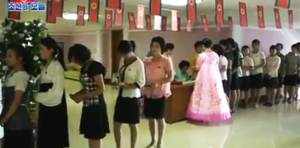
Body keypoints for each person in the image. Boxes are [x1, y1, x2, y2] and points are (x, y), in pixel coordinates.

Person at [69, 44, 109, 148]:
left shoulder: (95, 66)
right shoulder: (84, 68)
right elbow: (88, 87)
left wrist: (82, 97)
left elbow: (101, 88)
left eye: (73, 58)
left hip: (96, 107)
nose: (73, 61)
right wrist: (77, 95)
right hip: (88, 106)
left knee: (95, 136)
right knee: (91, 136)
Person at [35, 37, 69, 148]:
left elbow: (56, 94)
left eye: (42, 49)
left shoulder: (57, 67)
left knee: (53, 141)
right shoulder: (46, 65)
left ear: (50, 50)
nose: (39, 51)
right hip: (46, 109)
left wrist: (36, 96)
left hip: (54, 110)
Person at [186, 38, 231, 123]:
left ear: (203, 46)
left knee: (203, 95)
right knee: (214, 94)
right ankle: (213, 114)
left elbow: (198, 67)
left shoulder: (201, 55)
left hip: (203, 77)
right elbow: (216, 66)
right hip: (214, 77)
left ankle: (203, 115)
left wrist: (192, 67)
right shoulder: (215, 55)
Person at [113, 40, 146, 148]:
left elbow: (141, 82)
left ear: (129, 51)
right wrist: (116, 81)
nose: (122, 56)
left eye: (123, 53)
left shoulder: (139, 63)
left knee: (133, 125)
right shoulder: (123, 61)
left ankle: (133, 146)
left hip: (133, 98)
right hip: (121, 97)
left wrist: (125, 85)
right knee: (117, 124)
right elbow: (119, 75)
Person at [0, 46, 34, 148]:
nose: (6, 58)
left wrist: (5, 118)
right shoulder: (12, 74)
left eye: (10, 56)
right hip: (11, 120)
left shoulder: (21, 75)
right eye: (6, 56)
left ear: (20, 58)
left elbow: (17, 100)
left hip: (18, 122)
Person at [143, 36, 174, 148]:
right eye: (152, 46)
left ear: (161, 48)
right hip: (148, 93)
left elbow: (170, 77)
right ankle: (152, 139)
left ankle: (160, 141)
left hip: (160, 93)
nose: (154, 48)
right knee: (150, 118)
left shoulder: (166, 60)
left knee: (160, 118)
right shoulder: (147, 60)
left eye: (156, 46)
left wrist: (159, 83)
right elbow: (144, 76)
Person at [250, 39, 266, 108]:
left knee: (258, 89)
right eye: (253, 45)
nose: (254, 46)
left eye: (255, 45)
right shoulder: (250, 53)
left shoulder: (261, 53)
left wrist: (255, 67)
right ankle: (253, 101)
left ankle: (257, 102)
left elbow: (263, 63)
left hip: (259, 73)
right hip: (252, 73)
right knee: (252, 88)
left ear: (258, 45)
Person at [227, 38, 241, 113]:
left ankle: (232, 106)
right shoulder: (230, 52)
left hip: (234, 73)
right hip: (230, 73)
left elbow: (237, 66)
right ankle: (231, 106)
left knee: (233, 90)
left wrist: (231, 73)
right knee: (232, 90)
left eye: (228, 44)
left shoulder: (236, 53)